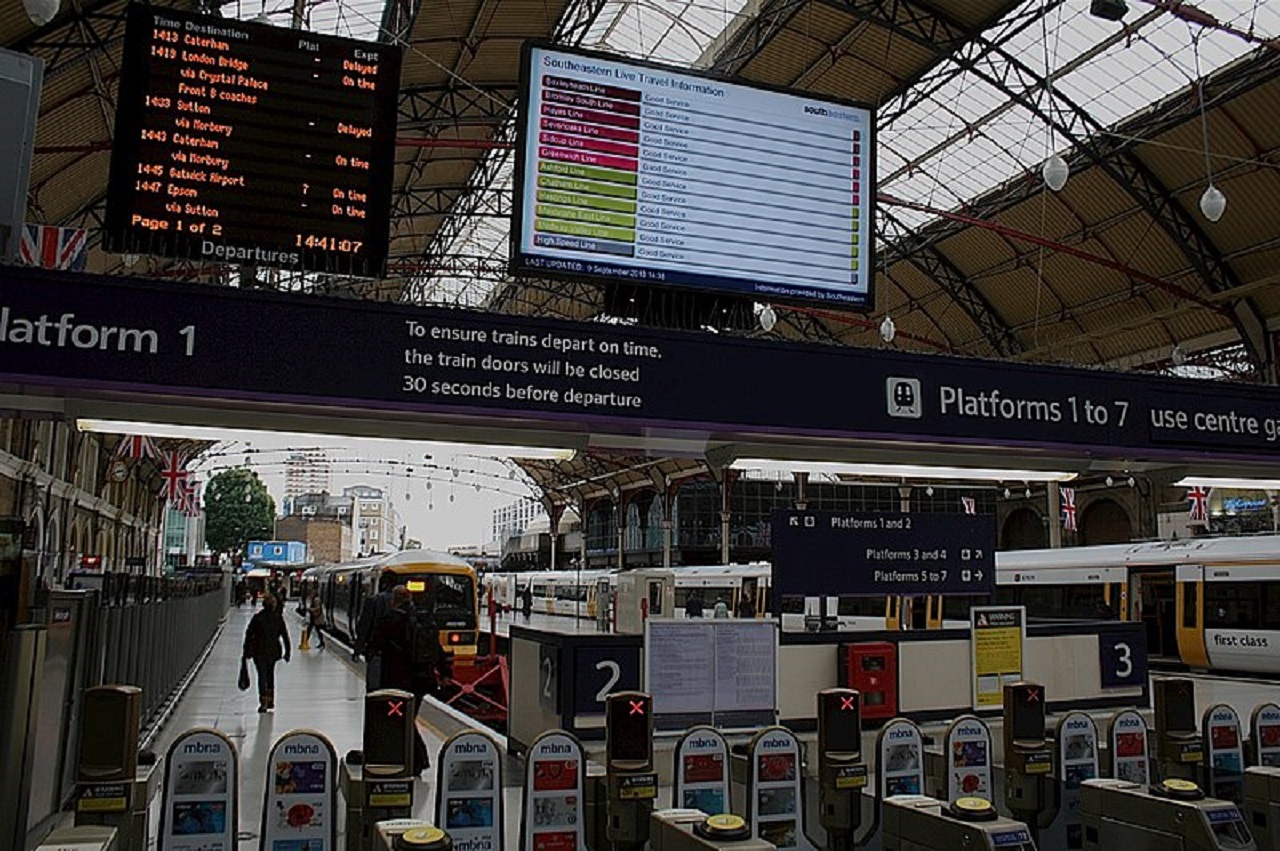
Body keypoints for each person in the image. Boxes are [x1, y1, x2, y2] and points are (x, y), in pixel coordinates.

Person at [368, 586, 440, 775]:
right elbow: (435, 648)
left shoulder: (390, 619)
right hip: (421, 680)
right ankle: (412, 759)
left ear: (394, 599)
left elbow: (375, 644)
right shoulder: (424, 619)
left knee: (402, 719)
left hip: (397, 680)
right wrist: (444, 671)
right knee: (409, 717)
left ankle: (418, 759)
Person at [243, 593, 290, 712]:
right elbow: (285, 636)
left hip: (259, 651)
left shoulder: (257, 618)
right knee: (270, 675)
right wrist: (287, 651)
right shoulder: (278, 618)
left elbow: (249, 635)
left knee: (262, 676)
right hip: (274, 651)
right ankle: (270, 700)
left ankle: (263, 701)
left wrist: (246, 651)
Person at [355, 572, 397, 690]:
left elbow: (364, 626)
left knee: (375, 687)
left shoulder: (373, 601)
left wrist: (358, 648)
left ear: (383, 583)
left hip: (376, 651)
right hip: (397, 656)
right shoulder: (408, 604)